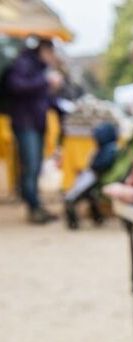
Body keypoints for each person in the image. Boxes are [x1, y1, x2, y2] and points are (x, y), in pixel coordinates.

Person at [4, 37, 63, 223]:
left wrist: (62, 108)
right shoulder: (24, 64)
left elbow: (44, 98)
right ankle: (33, 207)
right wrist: (45, 82)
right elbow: (16, 86)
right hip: (25, 122)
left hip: (37, 122)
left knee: (36, 166)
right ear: (44, 50)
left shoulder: (40, 68)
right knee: (30, 166)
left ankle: (35, 205)